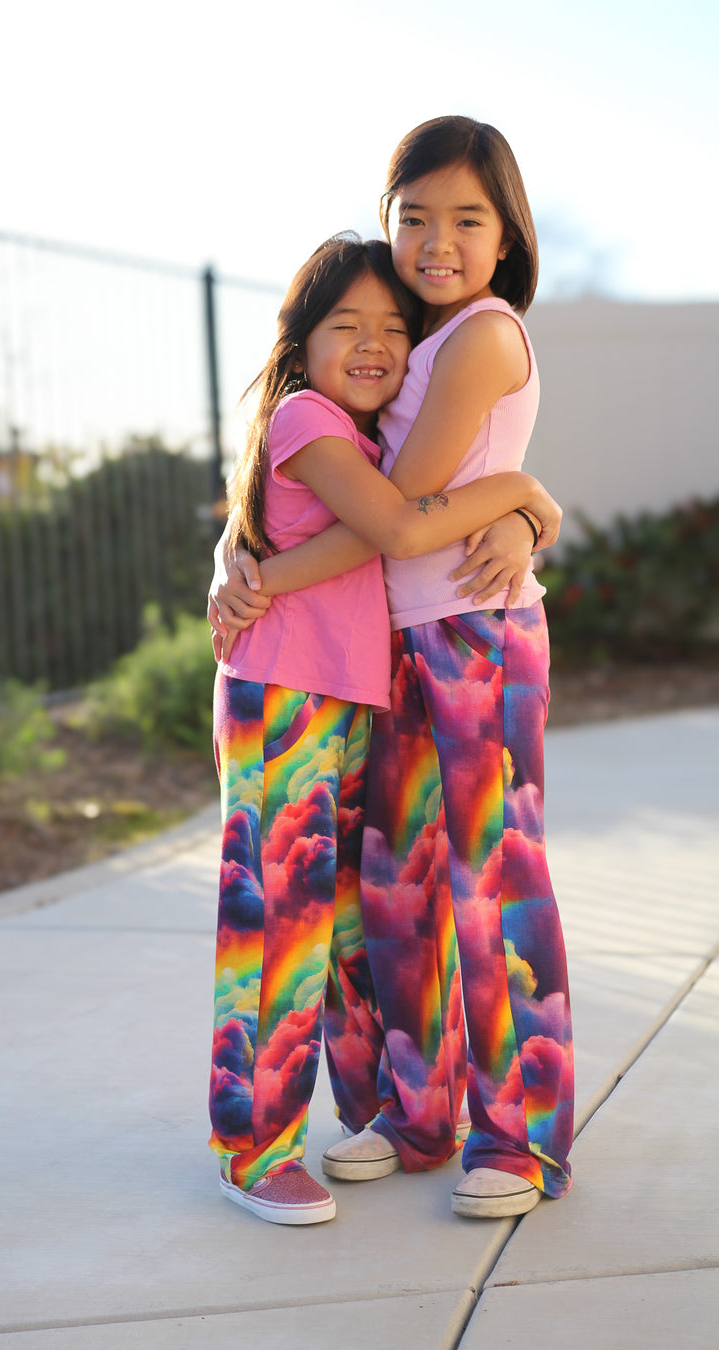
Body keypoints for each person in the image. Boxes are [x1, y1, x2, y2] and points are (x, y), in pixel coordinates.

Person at [211, 116, 574, 1221]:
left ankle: (522, 1138)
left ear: (508, 234)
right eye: (413, 215)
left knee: (489, 878)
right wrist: (238, 543)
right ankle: (420, 1115)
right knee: (398, 887)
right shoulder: (413, 341)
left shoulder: (481, 337)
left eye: (466, 218)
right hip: (395, 647)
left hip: (476, 635)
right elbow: (323, 479)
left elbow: (403, 513)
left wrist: (527, 501)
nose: (436, 239)